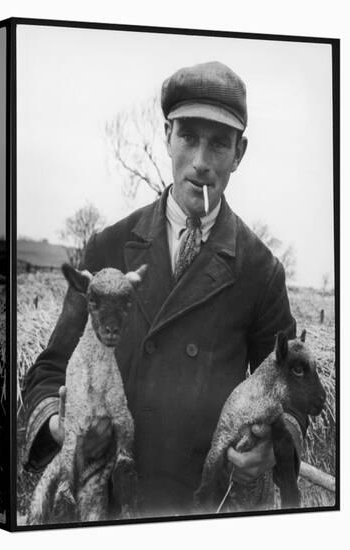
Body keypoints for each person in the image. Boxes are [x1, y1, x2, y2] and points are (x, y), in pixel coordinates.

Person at [23, 61, 306, 517]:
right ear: (167, 135)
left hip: (199, 504)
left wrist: (270, 448)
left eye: (218, 144)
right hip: (109, 502)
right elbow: (50, 371)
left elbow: (289, 388)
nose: (200, 162)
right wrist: (63, 423)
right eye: (188, 137)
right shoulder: (108, 247)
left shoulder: (261, 271)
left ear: (240, 153)